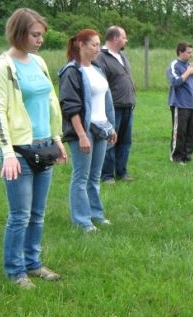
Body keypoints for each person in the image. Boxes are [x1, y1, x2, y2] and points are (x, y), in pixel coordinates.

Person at [0, 8, 66, 289]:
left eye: (41, 35)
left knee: (38, 214)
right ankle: (15, 271)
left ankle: (33, 263)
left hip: (45, 147)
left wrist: (57, 140)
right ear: (18, 33)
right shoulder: (3, 65)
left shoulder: (39, 62)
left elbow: (49, 102)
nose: (40, 40)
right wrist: (8, 152)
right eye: (35, 35)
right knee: (19, 215)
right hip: (19, 151)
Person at [58, 29, 117, 233]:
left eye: (98, 44)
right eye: (93, 44)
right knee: (81, 176)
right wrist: (82, 135)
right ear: (80, 45)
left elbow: (106, 100)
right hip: (84, 131)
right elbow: (70, 107)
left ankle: (96, 214)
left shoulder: (97, 69)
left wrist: (111, 126)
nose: (97, 49)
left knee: (95, 176)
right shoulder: (71, 71)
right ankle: (82, 220)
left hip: (101, 128)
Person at [95, 26, 136, 184]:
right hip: (112, 108)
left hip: (127, 106)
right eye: (124, 37)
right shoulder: (101, 57)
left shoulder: (122, 56)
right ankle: (107, 175)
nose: (126, 40)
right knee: (111, 141)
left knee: (125, 141)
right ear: (115, 38)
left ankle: (121, 172)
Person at [166, 41, 193, 164]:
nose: (191, 55)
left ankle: (187, 156)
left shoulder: (189, 66)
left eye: (191, 52)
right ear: (180, 52)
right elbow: (175, 82)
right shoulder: (174, 65)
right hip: (180, 104)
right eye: (188, 52)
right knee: (180, 132)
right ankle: (176, 157)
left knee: (192, 132)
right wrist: (188, 72)